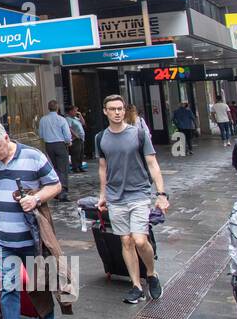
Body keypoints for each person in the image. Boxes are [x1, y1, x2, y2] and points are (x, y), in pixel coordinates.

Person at [0, 119, 63, 319]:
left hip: (32, 237)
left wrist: (36, 199)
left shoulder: (33, 157)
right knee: (8, 287)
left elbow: (55, 185)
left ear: (6, 138)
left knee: (39, 283)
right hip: (3, 237)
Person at [97, 95, 170, 305]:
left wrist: (161, 194)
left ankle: (152, 273)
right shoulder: (100, 138)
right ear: (105, 111)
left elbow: (153, 163)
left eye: (120, 109)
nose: (117, 112)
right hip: (115, 196)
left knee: (139, 240)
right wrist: (103, 195)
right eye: (112, 109)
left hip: (138, 193)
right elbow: (103, 168)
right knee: (125, 240)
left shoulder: (138, 134)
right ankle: (136, 285)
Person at [37, 100, 72, 201]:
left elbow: (41, 134)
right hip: (60, 144)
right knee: (63, 169)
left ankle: (56, 191)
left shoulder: (43, 119)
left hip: (49, 145)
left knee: (55, 168)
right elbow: (67, 134)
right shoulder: (61, 119)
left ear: (48, 108)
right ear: (57, 108)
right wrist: (68, 141)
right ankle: (63, 192)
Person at [66, 106, 86, 173]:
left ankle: (80, 166)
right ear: (70, 111)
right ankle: (75, 167)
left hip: (81, 138)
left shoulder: (76, 118)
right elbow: (69, 128)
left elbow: (83, 123)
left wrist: (80, 115)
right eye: (74, 111)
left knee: (81, 153)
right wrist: (75, 135)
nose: (76, 112)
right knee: (76, 153)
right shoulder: (68, 119)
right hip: (75, 138)